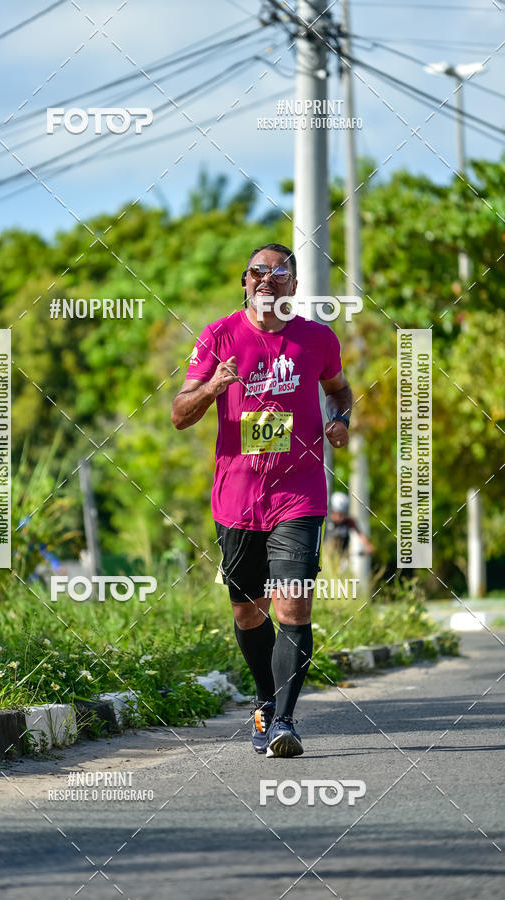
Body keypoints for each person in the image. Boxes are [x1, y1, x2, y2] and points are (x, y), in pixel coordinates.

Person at [171, 243, 352, 758]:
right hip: (237, 499)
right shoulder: (218, 336)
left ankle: (285, 722)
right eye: (258, 272)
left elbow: (340, 390)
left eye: (280, 272)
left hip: (299, 495)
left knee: (292, 602)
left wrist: (340, 418)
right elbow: (179, 414)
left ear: (294, 285)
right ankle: (264, 703)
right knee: (249, 612)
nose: (268, 279)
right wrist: (211, 387)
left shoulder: (318, 339)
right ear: (245, 282)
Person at [325, 491, 374, 563]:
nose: (341, 518)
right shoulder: (325, 521)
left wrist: (367, 545)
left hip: (342, 559)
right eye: (338, 514)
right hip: (326, 558)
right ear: (331, 511)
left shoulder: (348, 521)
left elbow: (360, 534)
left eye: (343, 514)